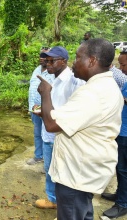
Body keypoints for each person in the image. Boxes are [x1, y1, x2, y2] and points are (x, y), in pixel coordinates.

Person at [37, 38, 123, 220]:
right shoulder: (105, 86)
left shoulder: (92, 92)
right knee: (82, 212)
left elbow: (52, 125)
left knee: (72, 212)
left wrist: (45, 93)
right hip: (86, 171)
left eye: (77, 58)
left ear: (91, 60)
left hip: (76, 175)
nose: (74, 63)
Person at [32, 46, 85, 209]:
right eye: (46, 60)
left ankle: (66, 210)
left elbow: (76, 111)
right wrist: (43, 111)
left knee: (64, 176)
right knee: (50, 169)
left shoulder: (73, 81)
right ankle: (53, 199)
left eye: (52, 60)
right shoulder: (53, 78)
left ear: (64, 61)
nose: (48, 64)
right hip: (49, 134)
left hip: (62, 136)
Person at [102, 50, 127, 219]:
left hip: (126, 133)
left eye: (124, 64)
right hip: (121, 129)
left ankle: (123, 204)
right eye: (119, 63)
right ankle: (120, 194)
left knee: (124, 169)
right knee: (120, 167)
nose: (121, 67)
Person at [27, 49, 55, 165]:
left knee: (48, 136)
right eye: (41, 56)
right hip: (34, 107)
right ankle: (38, 156)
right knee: (37, 132)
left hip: (46, 109)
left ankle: (49, 162)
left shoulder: (52, 72)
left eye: (45, 57)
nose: (41, 58)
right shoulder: (37, 69)